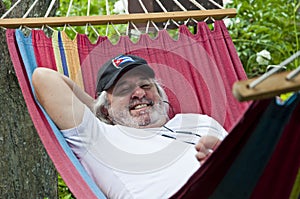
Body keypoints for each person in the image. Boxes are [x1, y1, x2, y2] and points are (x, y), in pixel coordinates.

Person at [32, 54, 227, 199]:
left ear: (159, 93)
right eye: (124, 90)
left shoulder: (200, 121)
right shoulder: (98, 138)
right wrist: (100, 111)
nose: (138, 93)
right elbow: (44, 78)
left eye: (146, 85)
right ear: (105, 108)